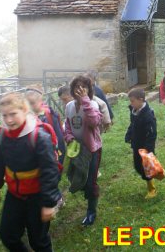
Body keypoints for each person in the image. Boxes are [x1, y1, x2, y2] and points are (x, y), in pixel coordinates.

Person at [0, 92, 62, 251]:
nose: (8, 120)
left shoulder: (39, 137)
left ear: (24, 110)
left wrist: (48, 204)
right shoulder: (1, 136)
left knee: (38, 240)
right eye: (4, 115)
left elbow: (50, 171)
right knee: (7, 235)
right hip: (14, 195)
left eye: (13, 114)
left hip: (37, 196)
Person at [63, 75, 102, 226]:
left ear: (89, 89)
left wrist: (85, 101)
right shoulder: (69, 106)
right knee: (79, 177)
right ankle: (89, 191)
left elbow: (94, 122)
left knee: (91, 182)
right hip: (76, 149)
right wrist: (69, 137)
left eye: (83, 87)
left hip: (93, 149)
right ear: (72, 90)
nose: (79, 90)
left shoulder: (92, 104)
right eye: (76, 87)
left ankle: (91, 211)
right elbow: (67, 124)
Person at [125, 88, 158, 199]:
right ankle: (148, 180)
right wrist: (129, 134)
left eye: (133, 101)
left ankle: (152, 189)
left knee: (146, 168)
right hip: (136, 144)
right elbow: (132, 125)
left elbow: (152, 133)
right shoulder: (134, 112)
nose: (131, 103)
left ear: (141, 100)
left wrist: (148, 149)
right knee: (138, 166)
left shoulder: (148, 115)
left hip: (145, 147)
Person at [25, 87, 66, 165]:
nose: (29, 106)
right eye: (26, 103)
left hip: (50, 153)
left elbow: (59, 138)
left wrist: (59, 158)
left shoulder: (49, 115)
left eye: (32, 103)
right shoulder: (24, 117)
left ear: (41, 101)